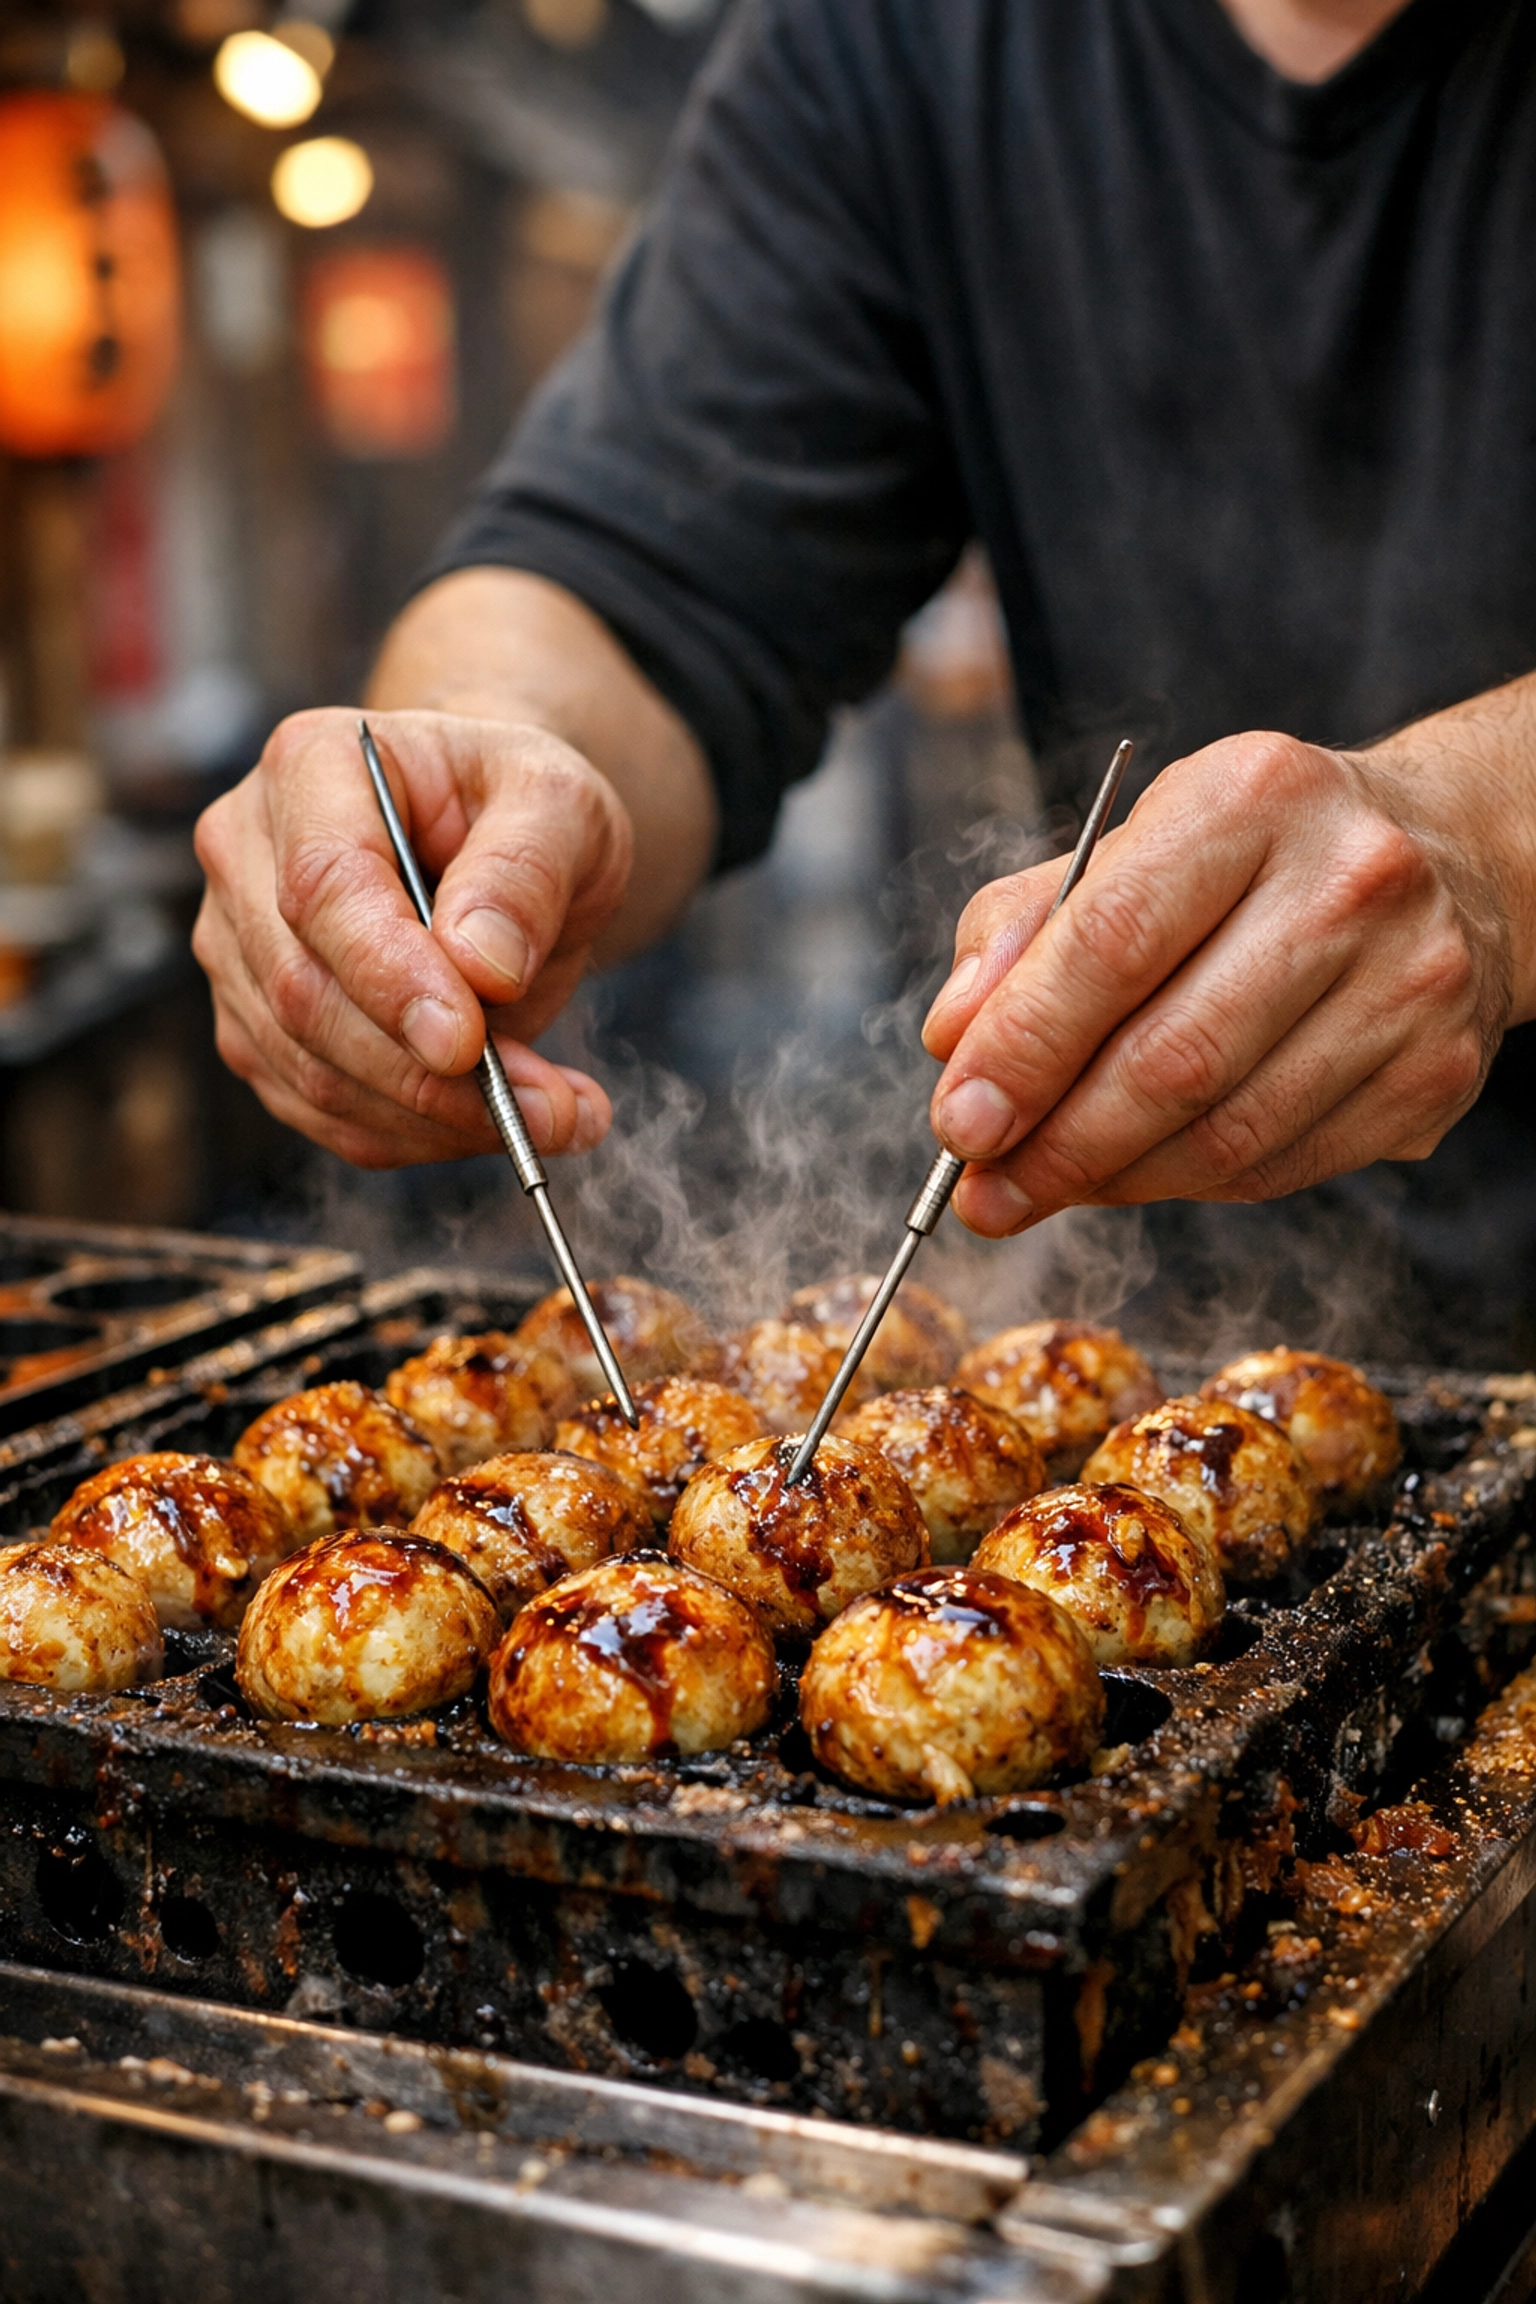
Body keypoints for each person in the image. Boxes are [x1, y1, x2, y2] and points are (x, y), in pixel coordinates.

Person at [193, 0, 1536, 1344]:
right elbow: (637, 575)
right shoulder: (898, 38)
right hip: (1199, 1363)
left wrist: (1489, 846)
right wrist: (477, 765)